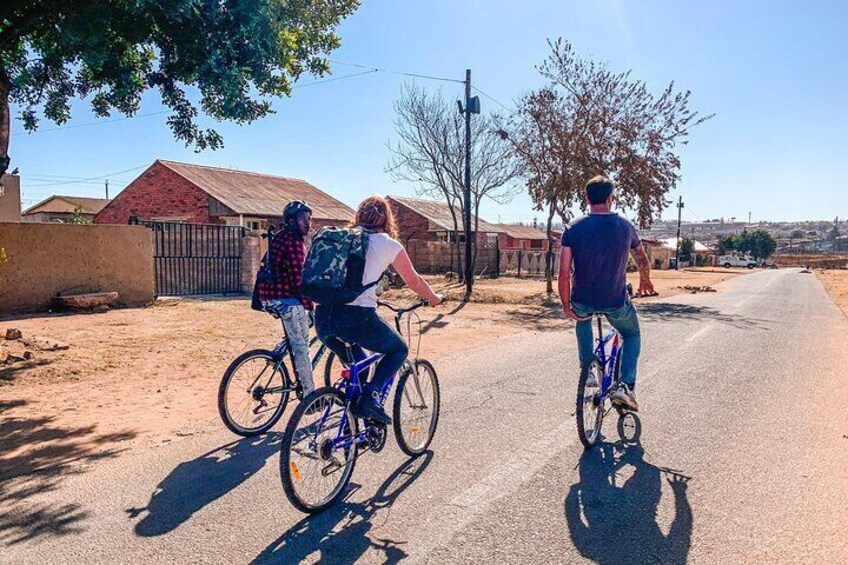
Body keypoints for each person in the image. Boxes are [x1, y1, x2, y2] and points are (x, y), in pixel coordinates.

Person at [315, 196, 444, 425]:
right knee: (398, 350)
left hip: (324, 318)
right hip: (357, 318)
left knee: (359, 369)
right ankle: (371, 397)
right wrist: (433, 298)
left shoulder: (341, 239)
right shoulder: (388, 244)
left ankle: (352, 431)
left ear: (358, 216)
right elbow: (413, 281)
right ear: (386, 218)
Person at [558, 176, 655, 411]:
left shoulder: (573, 227)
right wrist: (645, 281)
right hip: (615, 300)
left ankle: (587, 369)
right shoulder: (625, 226)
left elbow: (563, 272)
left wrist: (565, 304)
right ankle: (626, 385)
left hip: (582, 298)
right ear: (611, 198)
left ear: (587, 199)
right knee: (631, 335)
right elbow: (641, 258)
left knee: (581, 318)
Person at [258, 200, 316, 396]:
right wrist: (311, 304)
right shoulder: (294, 243)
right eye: (303, 219)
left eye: (310, 219)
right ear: (291, 221)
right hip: (285, 300)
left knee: (296, 334)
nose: (308, 224)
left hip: (269, 298)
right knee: (302, 349)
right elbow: (297, 280)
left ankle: (277, 354)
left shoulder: (280, 237)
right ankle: (310, 397)